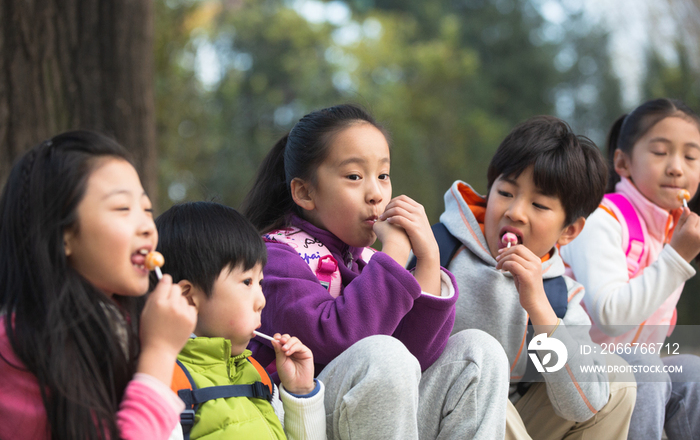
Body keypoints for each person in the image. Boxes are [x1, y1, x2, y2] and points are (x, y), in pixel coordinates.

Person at [241, 103, 510, 440]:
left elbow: (417, 355)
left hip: (379, 416)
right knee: (383, 354)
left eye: (383, 175)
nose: (376, 194)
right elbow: (335, 338)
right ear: (305, 192)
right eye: (354, 176)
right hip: (303, 417)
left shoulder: (367, 260)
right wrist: (395, 253)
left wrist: (428, 259)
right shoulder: (276, 256)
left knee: (479, 352)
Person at [438, 116, 637, 439]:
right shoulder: (437, 250)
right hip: (439, 410)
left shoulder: (560, 295)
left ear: (570, 230)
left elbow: (585, 406)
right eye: (505, 192)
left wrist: (540, 310)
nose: (515, 212)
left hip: (515, 420)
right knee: (485, 387)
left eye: (539, 205)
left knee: (617, 379)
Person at [0, 131, 197, 439]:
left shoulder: (125, 325)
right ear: (63, 234)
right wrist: (159, 353)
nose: (148, 226)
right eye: (122, 208)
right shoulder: (16, 347)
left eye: (146, 209)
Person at [560, 98, 700, 440]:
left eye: (691, 156)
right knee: (643, 366)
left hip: (629, 365)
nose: (676, 167)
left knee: (692, 371)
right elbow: (610, 315)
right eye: (660, 152)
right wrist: (677, 258)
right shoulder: (601, 219)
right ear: (622, 162)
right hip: (568, 370)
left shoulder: (670, 230)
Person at [154, 201, 326, 439]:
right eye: (247, 282)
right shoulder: (165, 382)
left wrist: (300, 393)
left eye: (260, 283)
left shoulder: (258, 376)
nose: (261, 301)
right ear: (188, 297)